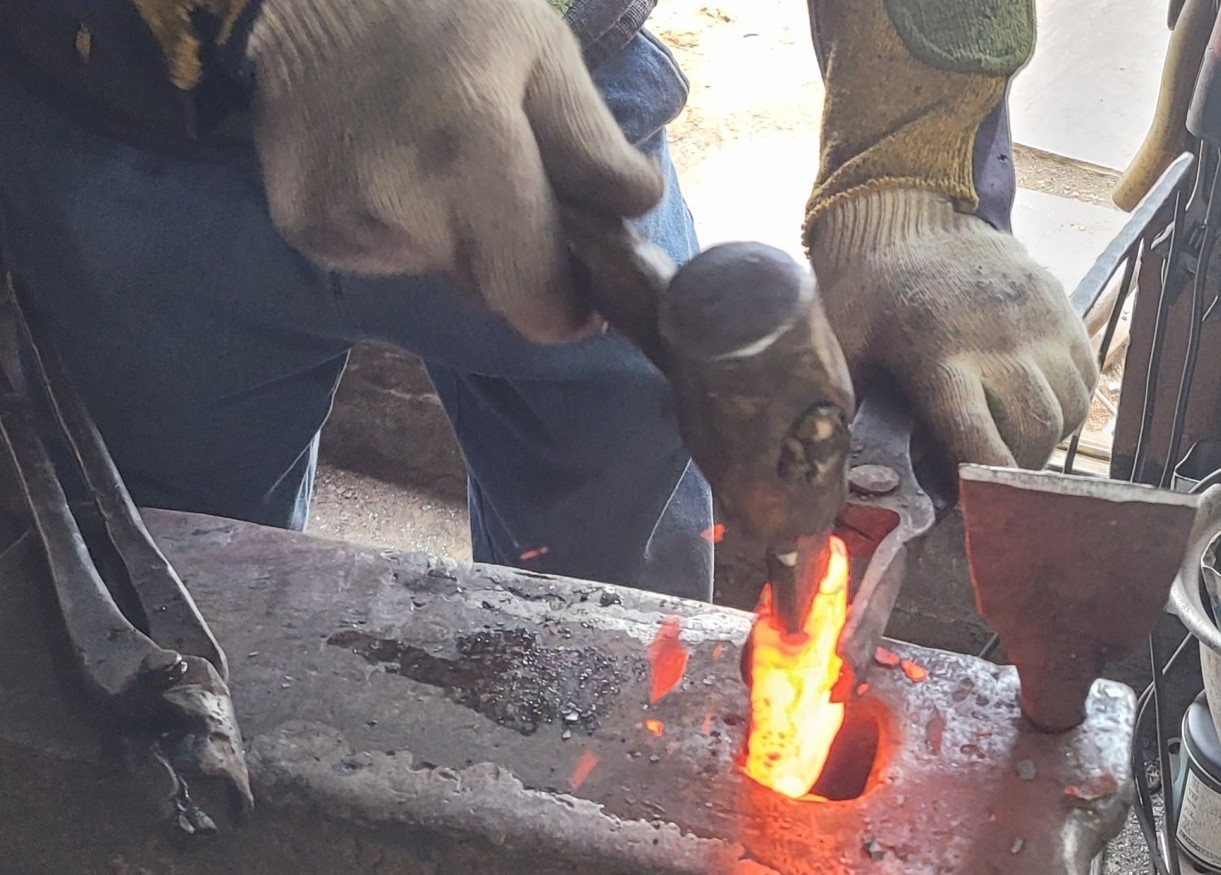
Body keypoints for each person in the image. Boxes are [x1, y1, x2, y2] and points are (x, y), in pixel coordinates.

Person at [0, 0, 1096, 604]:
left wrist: (907, 163)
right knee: (155, 599)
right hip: (123, 129)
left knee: (618, 615)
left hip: (559, 103)